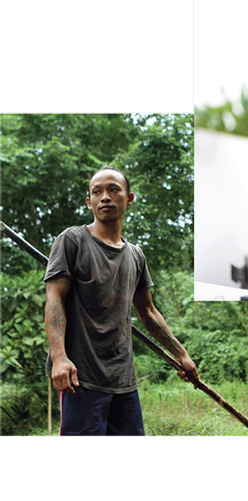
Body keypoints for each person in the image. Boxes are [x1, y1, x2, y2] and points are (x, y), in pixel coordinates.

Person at [44, 166, 199, 447]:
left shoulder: (135, 256)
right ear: (88, 201)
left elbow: (148, 313)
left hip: (123, 381)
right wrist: (59, 358)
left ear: (129, 198)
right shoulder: (72, 241)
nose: (105, 197)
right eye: (97, 192)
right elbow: (54, 299)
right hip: (81, 379)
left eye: (113, 189)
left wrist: (182, 354)